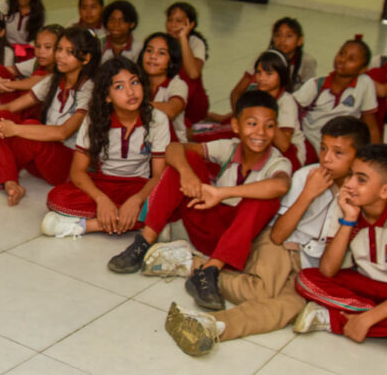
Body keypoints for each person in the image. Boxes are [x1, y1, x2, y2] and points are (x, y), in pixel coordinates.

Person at [165, 116, 368, 356]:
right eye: (324, 148)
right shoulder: (306, 177)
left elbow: (328, 268)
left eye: (338, 153)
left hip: (307, 265)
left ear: (359, 158)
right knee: (263, 290)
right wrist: (309, 194)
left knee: (292, 305)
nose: (326, 158)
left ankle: (210, 325)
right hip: (280, 245)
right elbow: (279, 235)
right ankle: (198, 267)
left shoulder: (362, 195)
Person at [107, 90, 293, 317]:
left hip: (239, 243)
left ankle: (209, 271)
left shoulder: (277, 161)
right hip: (208, 226)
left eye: (269, 126)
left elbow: (281, 186)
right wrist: (187, 173)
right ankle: (143, 242)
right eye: (252, 124)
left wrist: (221, 193)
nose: (261, 133)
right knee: (187, 161)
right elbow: (173, 149)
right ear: (236, 125)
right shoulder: (230, 147)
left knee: (264, 198)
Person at [294, 145, 387, 361]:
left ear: (386, 191)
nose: (348, 184)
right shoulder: (347, 203)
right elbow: (327, 270)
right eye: (350, 175)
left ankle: (331, 319)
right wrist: (348, 220)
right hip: (362, 285)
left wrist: (368, 319)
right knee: (305, 279)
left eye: (361, 180)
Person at [41, 58, 170, 237]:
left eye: (134, 82)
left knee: (167, 201)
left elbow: (158, 176)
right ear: (107, 96)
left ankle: (84, 226)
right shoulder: (94, 119)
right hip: (103, 182)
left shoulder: (157, 119)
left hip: (138, 185)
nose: (131, 92)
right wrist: (102, 200)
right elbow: (77, 172)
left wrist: (136, 200)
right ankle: (147, 223)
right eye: (119, 87)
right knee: (57, 198)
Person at [0, 27, 99, 206]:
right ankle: (9, 181)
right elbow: (11, 107)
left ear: (87, 58)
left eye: (69, 52)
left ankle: (3, 169)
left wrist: (16, 129)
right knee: (2, 116)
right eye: (59, 49)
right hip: (42, 162)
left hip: (68, 165)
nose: (60, 55)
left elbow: (63, 133)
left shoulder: (89, 88)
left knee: (29, 126)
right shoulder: (53, 81)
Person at [294, 36, 381, 163]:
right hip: (310, 144)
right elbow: (288, 108)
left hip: (342, 148)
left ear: (363, 69)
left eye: (352, 59)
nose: (342, 60)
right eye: (342, 53)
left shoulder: (365, 84)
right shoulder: (316, 85)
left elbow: (371, 125)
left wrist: (377, 159)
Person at [228, 16, 314, 108]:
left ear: (300, 40)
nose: (282, 40)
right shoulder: (264, 58)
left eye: (289, 36)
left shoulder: (307, 61)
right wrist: (239, 116)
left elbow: (309, 96)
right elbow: (236, 92)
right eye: (278, 35)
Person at [166, 1, 209, 125]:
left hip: (192, 103)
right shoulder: (163, 40)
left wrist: (183, 38)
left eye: (179, 21)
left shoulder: (195, 42)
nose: (173, 25)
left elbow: (193, 73)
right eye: (170, 20)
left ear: (190, 24)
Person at [141, 31, 189, 142]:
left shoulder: (177, 84)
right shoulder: (135, 81)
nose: (153, 56)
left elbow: (171, 110)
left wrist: (132, 106)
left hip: (172, 146)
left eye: (161, 53)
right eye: (149, 51)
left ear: (172, 61)